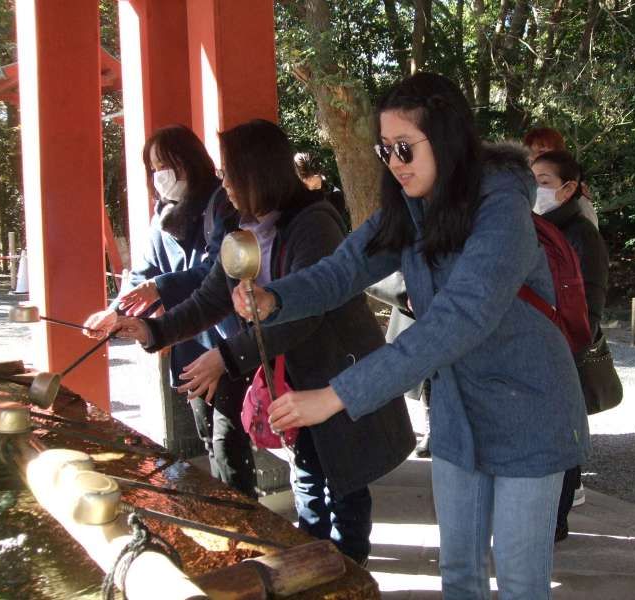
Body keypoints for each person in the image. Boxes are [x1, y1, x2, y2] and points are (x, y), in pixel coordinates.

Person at [236, 73, 590, 599]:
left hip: (528, 410)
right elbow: (341, 270)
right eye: (386, 150)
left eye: (405, 147)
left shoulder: (502, 208)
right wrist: (275, 298)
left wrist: (337, 395)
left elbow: (459, 318)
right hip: (459, 413)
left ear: (445, 138)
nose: (395, 163)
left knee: (519, 582)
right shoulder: (407, 208)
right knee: (459, 574)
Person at [112, 119, 415, 566]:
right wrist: (154, 331)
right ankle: (313, 565)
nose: (224, 182)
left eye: (230, 173)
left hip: (335, 372)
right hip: (292, 377)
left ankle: (348, 574)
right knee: (309, 478)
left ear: (257, 172)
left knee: (344, 484)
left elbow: (305, 316)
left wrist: (226, 356)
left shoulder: (314, 225)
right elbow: (211, 295)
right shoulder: (243, 227)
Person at [83, 124, 256, 497]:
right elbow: (142, 277)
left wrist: (160, 287)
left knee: (230, 445)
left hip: (225, 341)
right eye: (153, 166)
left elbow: (215, 272)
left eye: (166, 164)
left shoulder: (222, 203)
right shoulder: (162, 216)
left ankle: (248, 525)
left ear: (189, 161)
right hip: (187, 343)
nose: (159, 174)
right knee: (209, 439)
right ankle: (233, 521)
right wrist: (115, 313)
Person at [531, 150, 609, 542]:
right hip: (537, 359)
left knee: (560, 446)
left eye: (543, 182)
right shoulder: (534, 228)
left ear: (569, 189)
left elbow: (587, 313)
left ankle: (554, 523)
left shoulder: (581, 235)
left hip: (562, 360)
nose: (535, 190)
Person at [365, 272, 432, 457]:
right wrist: (407, 291)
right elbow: (371, 267)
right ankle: (432, 428)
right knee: (428, 376)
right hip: (414, 307)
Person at [523, 126, 599, 230]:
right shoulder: (524, 193)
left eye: (541, 152)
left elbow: (591, 237)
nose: (534, 158)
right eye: (530, 153)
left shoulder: (578, 198)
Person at [293, 151, 352, 232]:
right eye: (307, 189)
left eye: (316, 187)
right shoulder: (292, 203)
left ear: (320, 176)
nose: (314, 195)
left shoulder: (335, 196)